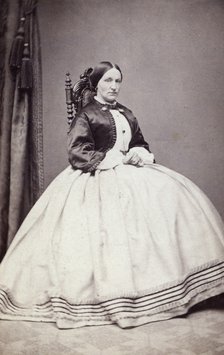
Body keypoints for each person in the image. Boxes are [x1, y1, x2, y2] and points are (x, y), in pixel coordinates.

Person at [0, 61, 224, 329]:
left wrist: (139, 155)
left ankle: (169, 290)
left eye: (118, 81)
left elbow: (140, 143)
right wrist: (114, 158)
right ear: (96, 84)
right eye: (108, 81)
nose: (114, 86)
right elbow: (77, 151)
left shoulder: (127, 113)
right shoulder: (87, 114)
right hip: (94, 177)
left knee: (175, 196)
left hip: (131, 173)